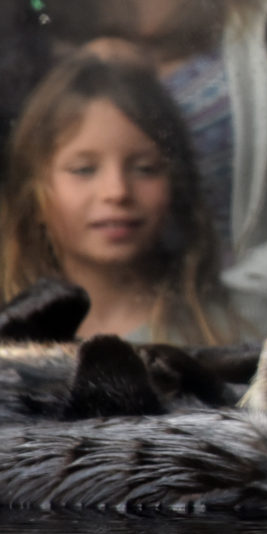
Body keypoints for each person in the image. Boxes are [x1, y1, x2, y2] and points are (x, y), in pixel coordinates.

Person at [53, 0, 267, 325]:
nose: (115, 190)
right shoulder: (55, 15)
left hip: (235, 321)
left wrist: (221, 315)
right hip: (91, 317)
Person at [0, 55, 240, 345]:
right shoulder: (13, 335)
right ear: (33, 194)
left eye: (144, 169)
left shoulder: (223, 330)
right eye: (84, 170)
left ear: (175, 184)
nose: (117, 192)